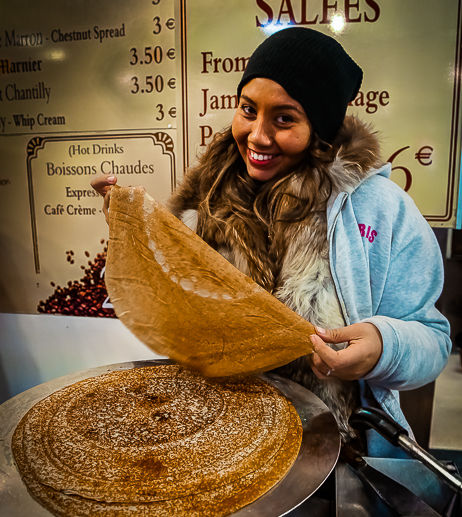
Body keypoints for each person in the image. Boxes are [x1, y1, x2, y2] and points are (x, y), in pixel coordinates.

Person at [91, 26, 451, 458]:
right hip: (217, 436)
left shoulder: (381, 210)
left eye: (284, 118)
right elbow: (170, 306)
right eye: (248, 109)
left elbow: (432, 340)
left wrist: (382, 347)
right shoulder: (205, 198)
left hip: (332, 448)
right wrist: (135, 236)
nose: (258, 136)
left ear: (318, 125)